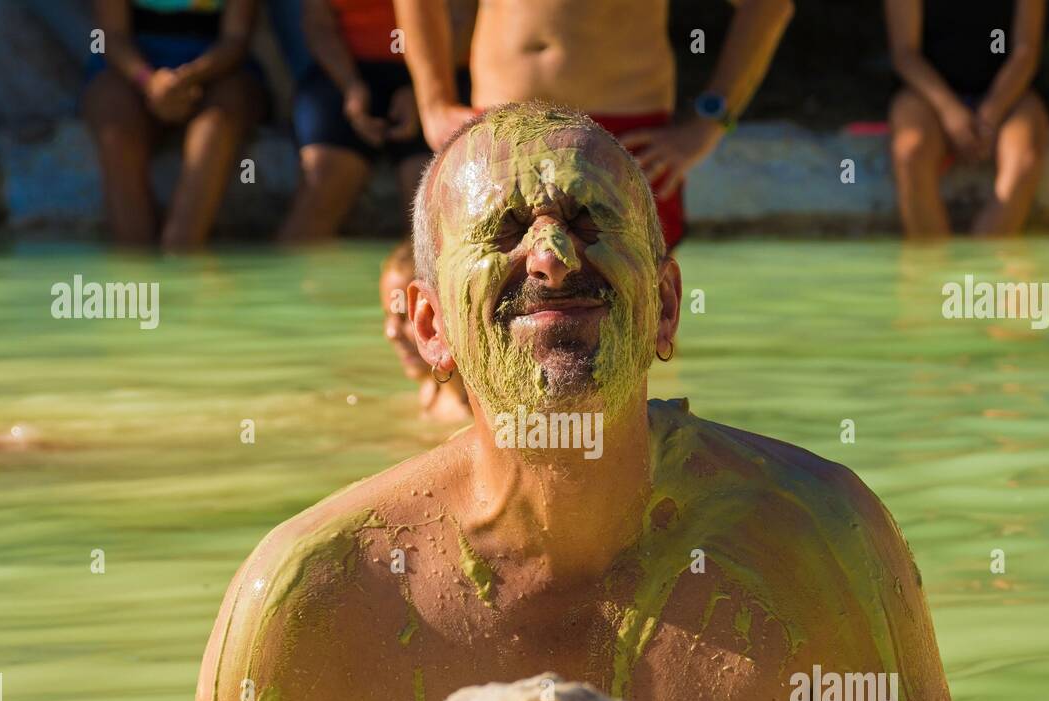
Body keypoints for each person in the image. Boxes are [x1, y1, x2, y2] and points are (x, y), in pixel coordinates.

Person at [175, 103, 957, 701]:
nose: (550, 257)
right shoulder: (315, 597)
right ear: (428, 328)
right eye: (505, 230)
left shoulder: (821, 542)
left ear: (667, 306)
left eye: (589, 221)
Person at [392, 0, 795, 252]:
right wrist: (433, 103)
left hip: (623, 131)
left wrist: (709, 120)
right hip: (500, 129)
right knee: (486, 323)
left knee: (637, 332)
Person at [278, 0, 474, 240]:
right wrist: (352, 87)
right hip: (349, 69)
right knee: (321, 184)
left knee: (429, 207)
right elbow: (318, 25)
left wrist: (425, 94)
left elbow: (464, 19)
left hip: (440, 70)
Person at [83, 0, 267, 249]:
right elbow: (110, 36)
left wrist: (188, 77)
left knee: (215, 127)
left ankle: (182, 247)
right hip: (131, 68)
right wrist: (149, 82)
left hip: (218, 68)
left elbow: (236, 39)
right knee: (114, 124)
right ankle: (134, 262)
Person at [886, 0, 1049, 238]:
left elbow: (1026, 52)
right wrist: (949, 110)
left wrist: (991, 112)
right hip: (928, 94)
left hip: (1008, 93)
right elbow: (904, 53)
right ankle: (929, 267)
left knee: (1024, 159)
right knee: (910, 151)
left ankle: (981, 264)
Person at [379, 240, 470, 419]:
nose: (391, 333)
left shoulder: (479, 419)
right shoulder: (429, 391)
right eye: (387, 316)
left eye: (406, 316)